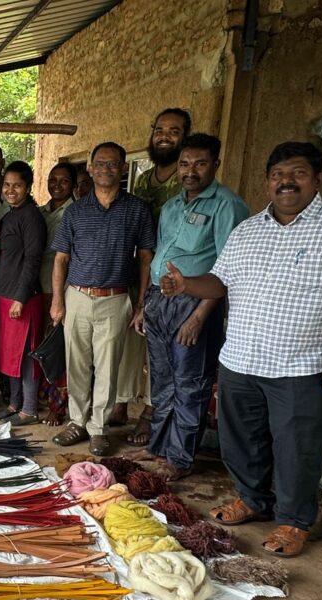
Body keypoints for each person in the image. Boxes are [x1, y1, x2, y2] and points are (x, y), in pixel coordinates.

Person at [161, 141, 322, 557]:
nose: (286, 182)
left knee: (297, 446)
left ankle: (296, 520)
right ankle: (253, 499)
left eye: (297, 173)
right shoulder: (248, 230)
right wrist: (187, 285)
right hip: (241, 358)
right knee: (241, 440)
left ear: (317, 179)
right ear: (267, 182)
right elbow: (221, 282)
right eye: (278, 175)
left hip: (302, 363)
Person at [137, 134, 248, 480]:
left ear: (215, 164)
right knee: (163, 380)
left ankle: (180, 458)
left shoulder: (226, 205)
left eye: (200, 164)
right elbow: (158, 260)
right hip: (160, 299)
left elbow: (229, 270)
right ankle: (160, 446)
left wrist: (200, 315)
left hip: (196, 302)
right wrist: (145, 305)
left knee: (191, 383)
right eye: (185, 164)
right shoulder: (172, 206)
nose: (190, 171)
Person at [50, 142, 155, 455]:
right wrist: (58, 301)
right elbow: (60, 260)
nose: (106, 169)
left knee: (109, 368)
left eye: (113, 164)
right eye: (101, 164)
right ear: (91, 169)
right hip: (78, 296)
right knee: (77, 363)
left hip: (115, 298)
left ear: (123, 169)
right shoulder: (76, 211)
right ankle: (77, 422)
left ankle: (98, 428)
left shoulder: (137, 210)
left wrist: (140, 305)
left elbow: (146, 258)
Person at [114, 108, 192, 445]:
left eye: (174, 131)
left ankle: (149, 412)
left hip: (175, 280)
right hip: (139, 273)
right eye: (160, 129)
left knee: (158, 353)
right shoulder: (144, 180)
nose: (164, 136)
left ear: (185, 137)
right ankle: (120, 403)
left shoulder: (187, 180)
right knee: (129, 343)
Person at [0, 161, 46, 427]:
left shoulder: (31, 217)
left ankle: (30, 408)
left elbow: (33, 260)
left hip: (22, 298)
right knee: (11, 354)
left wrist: (21, 297)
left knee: (26, 355)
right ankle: (14, 403)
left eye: (17, 185)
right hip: (6, 296)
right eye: (7, 185)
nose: (11, 190)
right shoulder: (11, 214)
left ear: (28, 186)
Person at [39, 162, 77, 426]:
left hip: (62, 290)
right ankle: (43, 397)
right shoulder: (41, 212)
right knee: (42, 345)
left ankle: (58, 406)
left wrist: (59, 297)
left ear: (73, 185)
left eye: (64, 181)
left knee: (59, 349)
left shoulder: (76, 212)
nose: (57, 185)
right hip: (38, 287)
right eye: (53, 179)